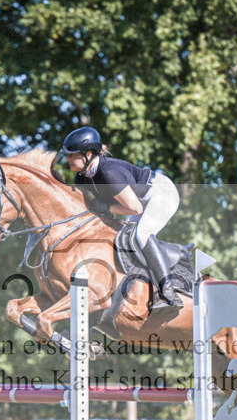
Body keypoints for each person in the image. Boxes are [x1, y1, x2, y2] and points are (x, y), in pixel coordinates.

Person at [55, 126, 182, 313]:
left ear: (88, 154)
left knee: (141, 235)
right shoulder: (81, 178)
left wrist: (106, 208)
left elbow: (135, 208)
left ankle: (169, 293)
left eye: (72, 155)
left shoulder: (109, 172)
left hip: (161, 194)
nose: (67, 159)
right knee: (123, 239)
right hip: (139, 200)